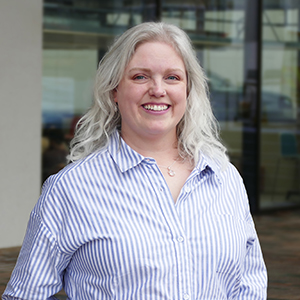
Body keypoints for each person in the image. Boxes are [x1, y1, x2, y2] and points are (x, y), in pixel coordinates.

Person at [2, 22, 267, 300]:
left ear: (188, 91)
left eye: (172, 77)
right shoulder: (71, 189)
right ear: (114, 91)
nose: (157, 89)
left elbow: (249, 284)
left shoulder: (225, 179)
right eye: (140, 77)